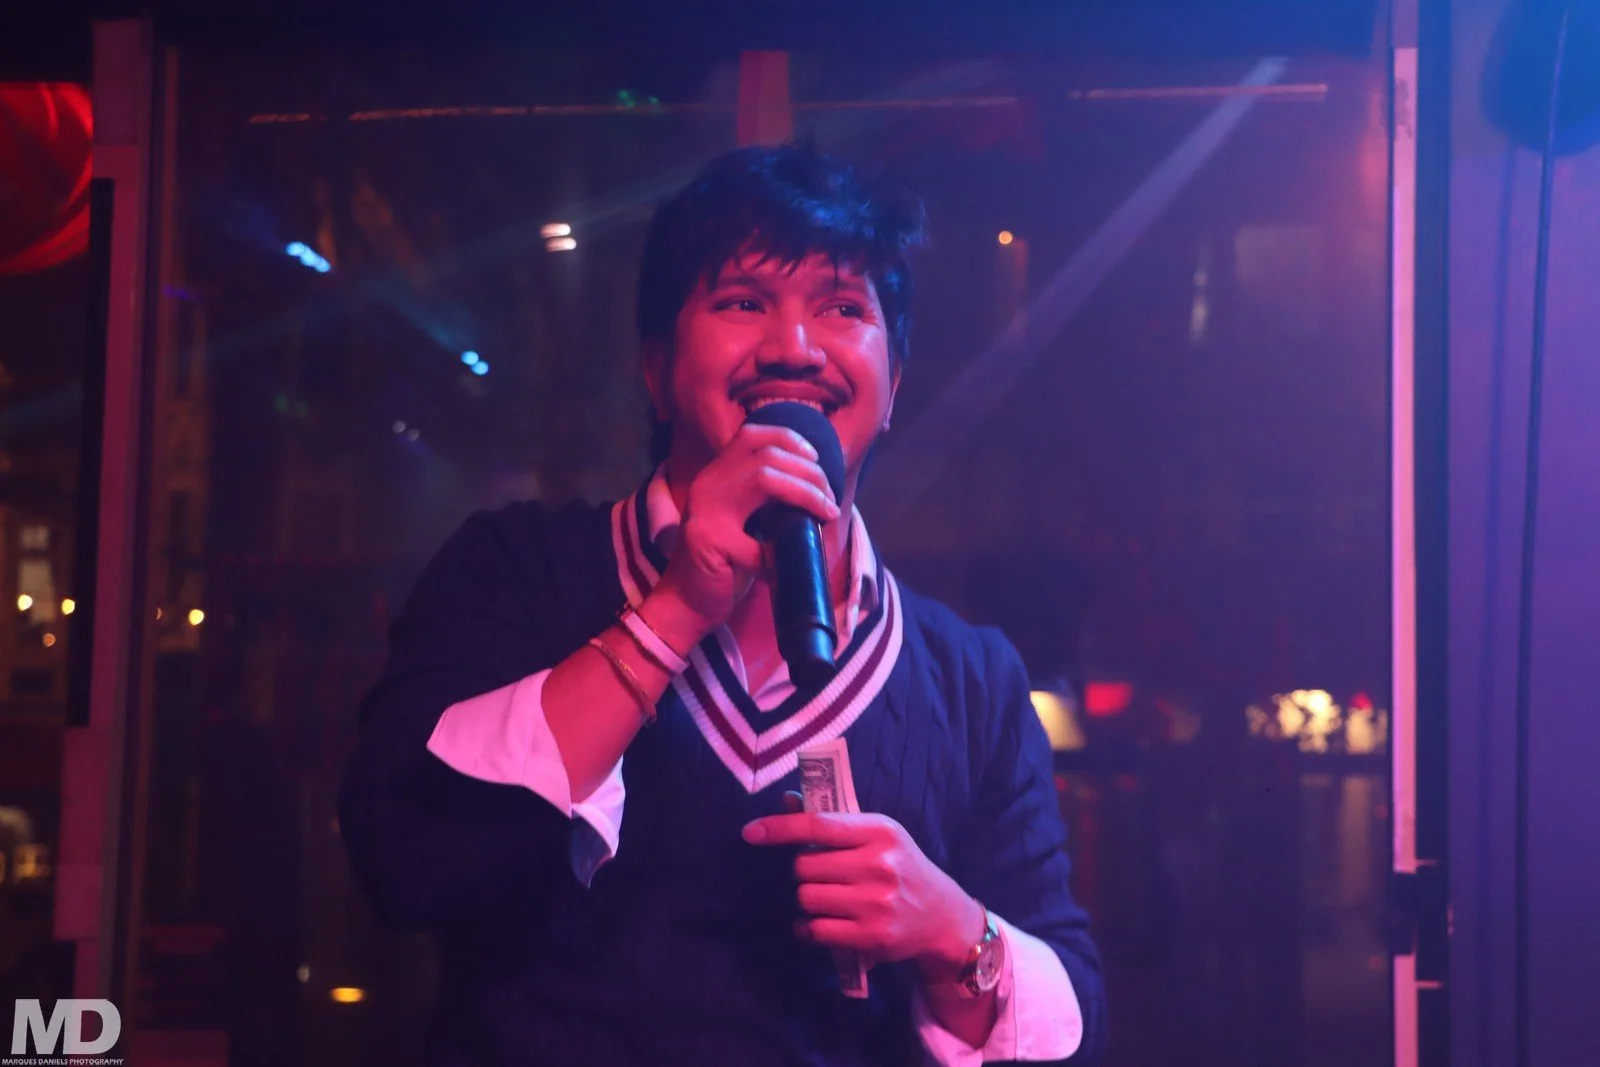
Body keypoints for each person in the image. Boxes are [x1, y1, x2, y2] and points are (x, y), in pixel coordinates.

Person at [338, 143, 1106, 1066]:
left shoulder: (971, 679)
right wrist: (676, 607)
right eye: (743, 301)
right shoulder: (516, 570)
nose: (794, 348)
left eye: (843, 308)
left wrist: (953, 931)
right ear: (657, 368)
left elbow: (1073, 1026)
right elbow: (403, 856)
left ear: (894, 383)